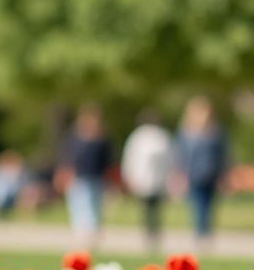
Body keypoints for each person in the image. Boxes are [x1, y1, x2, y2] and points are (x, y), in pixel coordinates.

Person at [175, 96, 228, 244]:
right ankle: (200, 230)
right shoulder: (187, 132)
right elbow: (182, 155)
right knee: (197, 202)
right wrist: (180, 173)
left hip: (211, 173)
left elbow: (222, 155)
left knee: (209, 203)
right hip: (195, 174)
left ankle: (205, 229)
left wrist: (224, 173)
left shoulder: (215, 132)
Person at [58, 104, 112, 247]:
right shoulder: (75, 139)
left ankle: (92, 234)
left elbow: (106, 161)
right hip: (79, 178)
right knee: (80, 206)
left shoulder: (100, 141)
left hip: (95, 177)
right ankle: (82, 234)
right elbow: (67, 158)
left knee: (94, 207)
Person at [121, 110, 174, 252]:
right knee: (148, 209)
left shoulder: (157, 137)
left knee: (153, 209)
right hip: (145, 180)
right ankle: (149, 233)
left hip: (154, 180)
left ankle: (153, 233)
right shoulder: (145, 138)